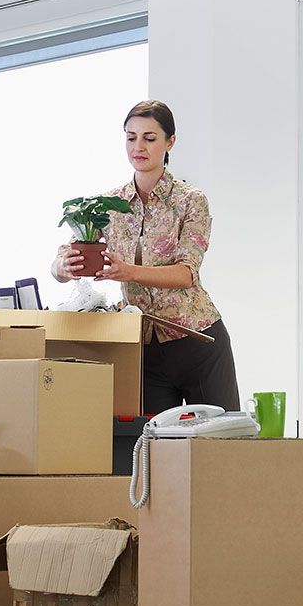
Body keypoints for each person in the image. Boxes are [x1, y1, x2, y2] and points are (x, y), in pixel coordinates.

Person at [51, 100, 238, 415]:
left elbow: (186, 273)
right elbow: (68, 254)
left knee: (218, 439)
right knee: (150, 441)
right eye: (131, 137)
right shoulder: (109, 204)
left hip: (197, 341)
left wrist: (128, 272)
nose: (138, 146)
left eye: (149, 138)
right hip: (142, 347)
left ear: (170, 142)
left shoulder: (191, 201)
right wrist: (62, 266)